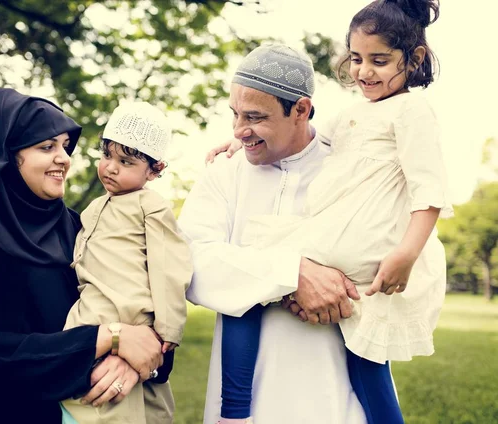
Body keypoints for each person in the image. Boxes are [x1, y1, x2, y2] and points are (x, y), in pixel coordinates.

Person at [202, 1, 452, 423]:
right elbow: (311, 140)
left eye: (379, 60)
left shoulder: (413, 112)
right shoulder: (353, 114)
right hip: (341, 241)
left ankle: (234, 410)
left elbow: (430, 192)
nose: (363, 71)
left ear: (415, 59)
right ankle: (241, 405)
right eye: (356, 58)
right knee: (365, 357)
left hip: (367, 244)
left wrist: (407, 255)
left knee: (252, 272)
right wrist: (243, 139)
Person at [0, 88, 167, 424]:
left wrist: (131, 361)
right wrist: (108, 339)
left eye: (65, 146)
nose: (64, 158)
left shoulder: (78, 227)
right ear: (7, 155)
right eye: (47, 146)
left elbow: (142, 304)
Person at [178, 44, 368, 424]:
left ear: (300, 109)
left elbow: (388, 259)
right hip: (240, 400)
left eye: (254, 117)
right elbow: (187, 260)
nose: (238, 130)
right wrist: (291, 274)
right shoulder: (224, 171)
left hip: (334, 386)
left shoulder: (352, 167)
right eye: (234, 114)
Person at [61, 101, 192, 424]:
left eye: (126, 161)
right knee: (88, 396)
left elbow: (169, 269)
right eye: (106, 155)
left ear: (155, 170)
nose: (111, 168)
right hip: (90, 317)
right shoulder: (92, 209)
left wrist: (166, 333)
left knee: (143, 403)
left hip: (133, 317)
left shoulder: (151, 206)